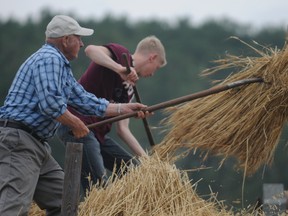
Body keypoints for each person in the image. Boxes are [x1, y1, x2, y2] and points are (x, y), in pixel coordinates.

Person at [0, 15, 148, 216]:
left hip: (36, 144)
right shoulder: (49, 59)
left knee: (65, 202)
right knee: (13, 209)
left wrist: (124, 109)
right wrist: (76, 123)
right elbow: (51, 104)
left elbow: (84, 100)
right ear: (65, 39)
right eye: (78, 38)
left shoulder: (59, 65)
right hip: (19, 142)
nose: (82, 43)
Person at [57, 35, 167, 192]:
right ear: (152, 57)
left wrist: (149, 162)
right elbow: (90, 50)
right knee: (99, 188)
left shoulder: (130, 90)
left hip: (97, 135)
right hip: (79, 126)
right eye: (156, 67)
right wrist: (119, 69)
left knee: (135, 173)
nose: (153, 74)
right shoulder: (122, 56)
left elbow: (123, 130)